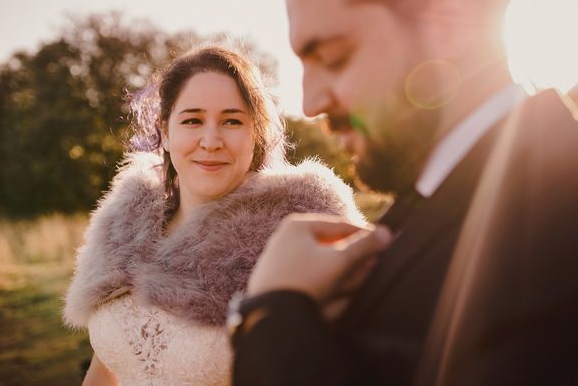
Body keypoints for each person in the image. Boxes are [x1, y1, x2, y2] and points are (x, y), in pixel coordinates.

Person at [229, 0, 578, 385]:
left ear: (450, 21)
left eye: (334, 57)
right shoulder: (420, 207)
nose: (311, 102)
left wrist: (273, 314)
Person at [63, 44, 365, 385]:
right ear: (164, 131)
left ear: (256, 134)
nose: (211, 140)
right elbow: (104, 372)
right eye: (192, 120)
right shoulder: (120, 232)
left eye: (232, 121)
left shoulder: (300, 233)